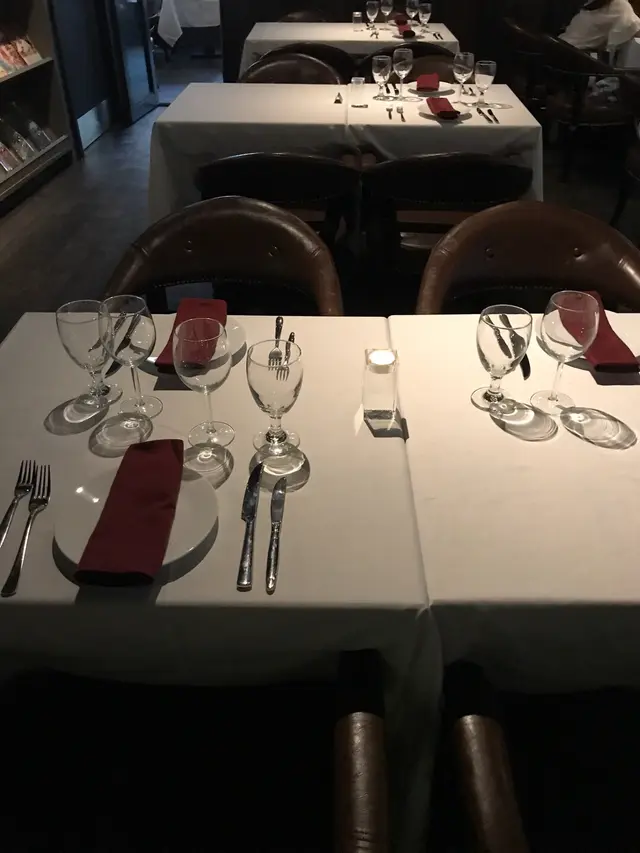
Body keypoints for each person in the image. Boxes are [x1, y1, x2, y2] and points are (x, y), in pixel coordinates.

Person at [559, 0, 640, 53]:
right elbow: (636, 28)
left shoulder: (594, 2)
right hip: (572, 57)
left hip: (559, 47)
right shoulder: (619, 5)